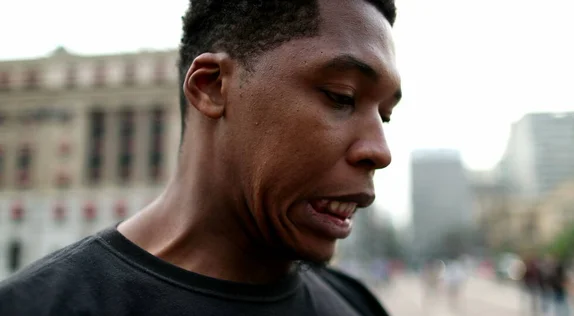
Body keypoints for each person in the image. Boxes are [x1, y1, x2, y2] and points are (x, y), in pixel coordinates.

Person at [0, 0, 401, 315]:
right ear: (211, 87)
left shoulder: (358, 305)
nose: (380, 152)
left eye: (384, 115)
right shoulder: (36, 307)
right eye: (341, 97)